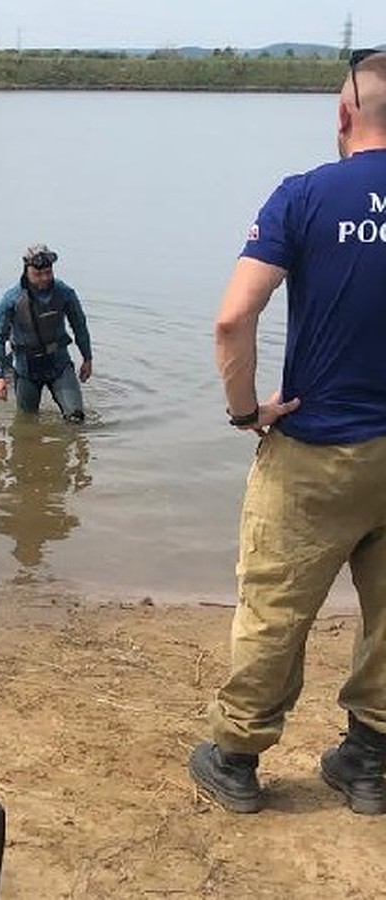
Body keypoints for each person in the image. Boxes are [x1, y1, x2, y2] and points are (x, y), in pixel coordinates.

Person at [188, 50, 386, 816]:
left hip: (317, 449)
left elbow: (234, 316)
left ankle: (235, 758)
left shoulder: (303, 196)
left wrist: (246, 412)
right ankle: (368, 764)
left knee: (276, 604)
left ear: (343, 115)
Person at [0, 244, 92, 423]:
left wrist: (87, 358)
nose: (44, 278)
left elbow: (79, 325)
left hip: (59, 364)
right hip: (26, 368)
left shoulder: (64, 293)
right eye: (38, 274)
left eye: (48, 272)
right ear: (26, 270)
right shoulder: (11, 298)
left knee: (76, 418)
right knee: (26, 424)